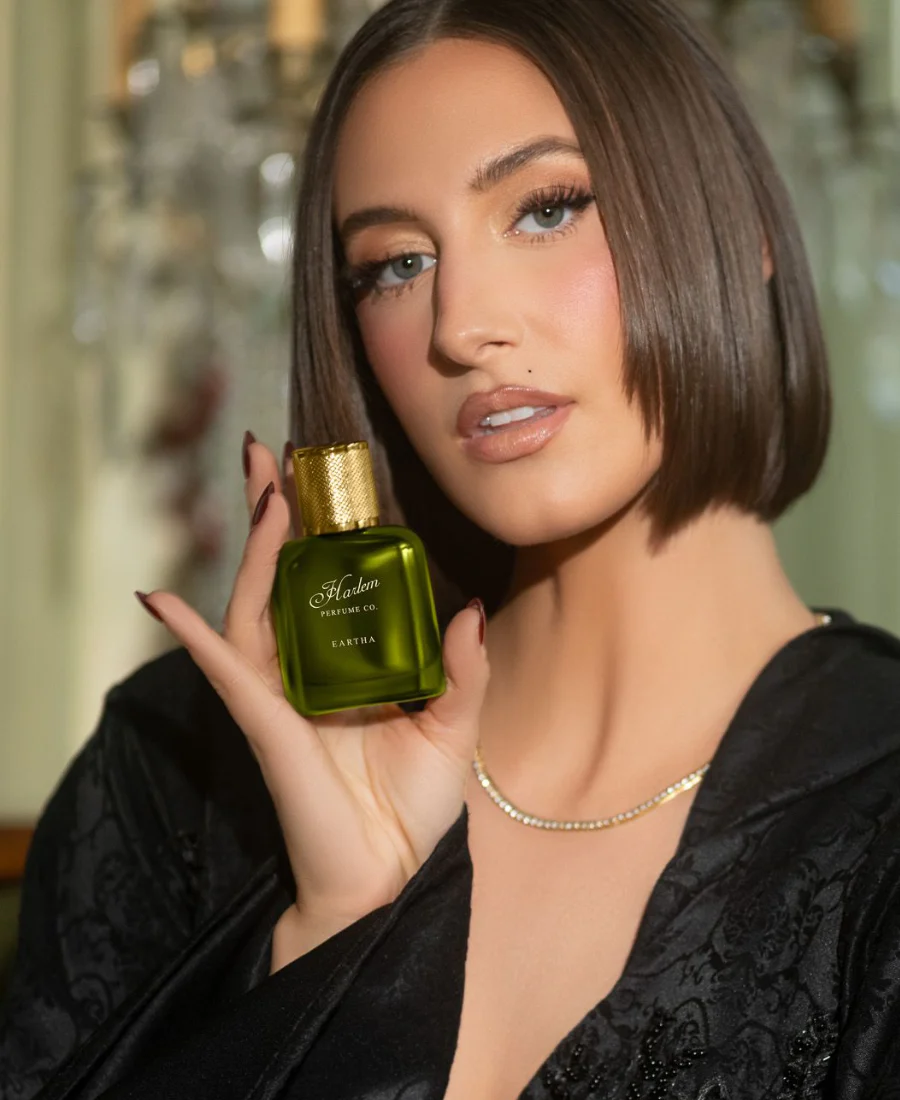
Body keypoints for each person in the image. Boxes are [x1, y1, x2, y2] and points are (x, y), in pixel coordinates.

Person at [3, 0, 900, 1096]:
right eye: (394, 264)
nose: (459, 323)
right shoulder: (173, 779)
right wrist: (336, 932)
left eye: (548, 206)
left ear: (747, 232)